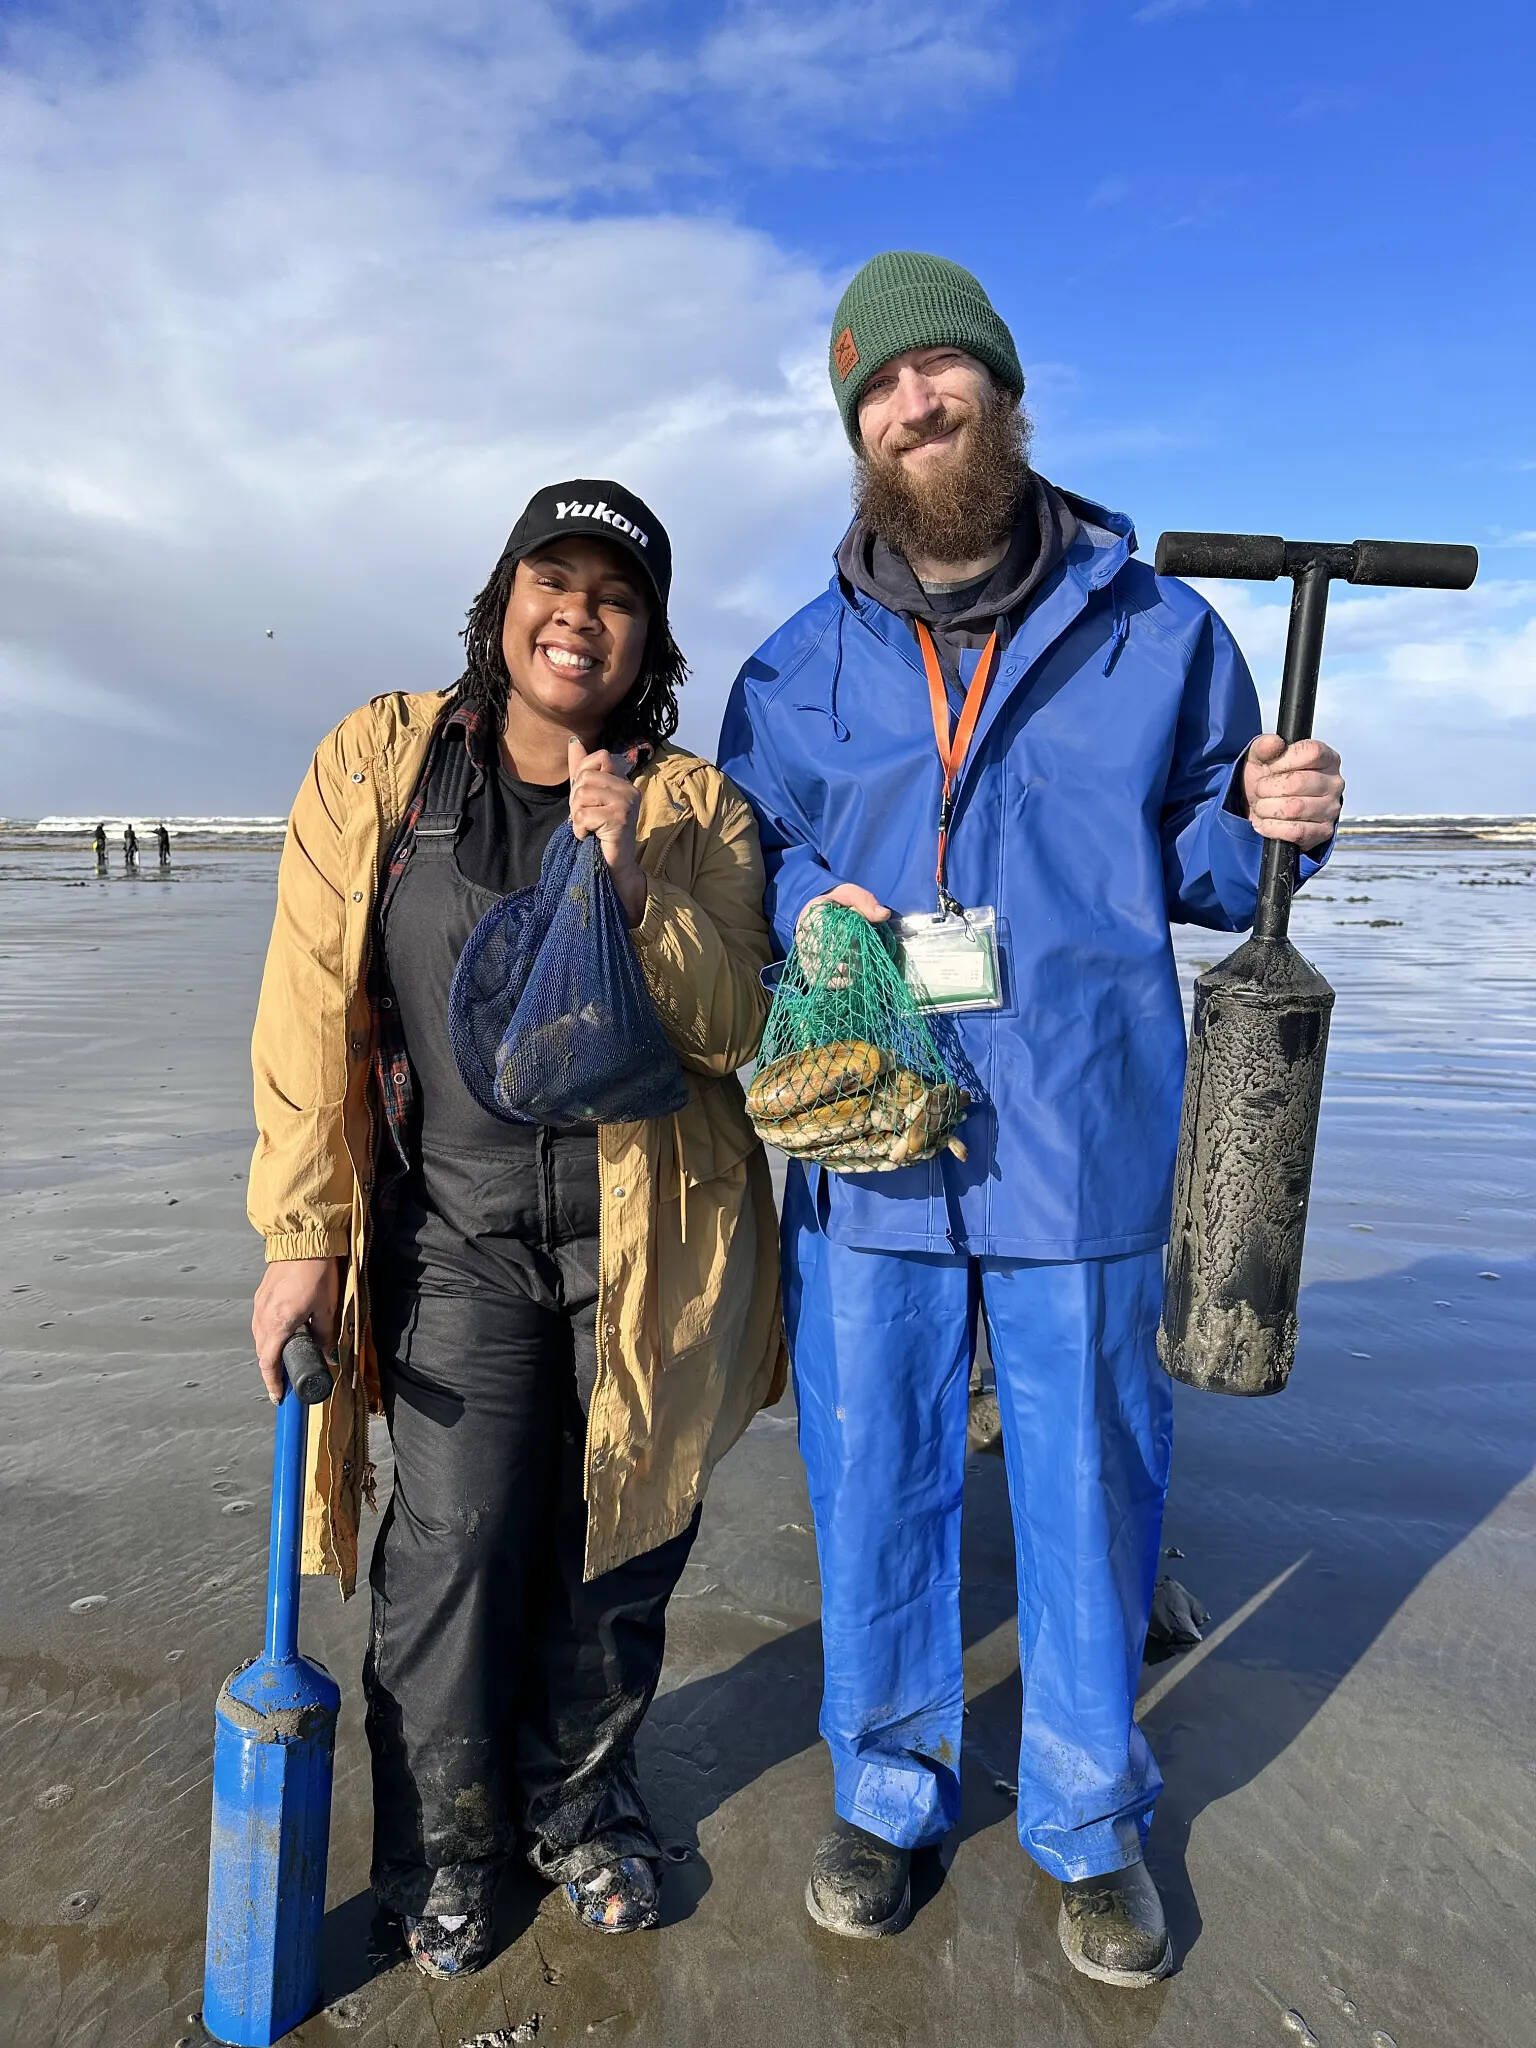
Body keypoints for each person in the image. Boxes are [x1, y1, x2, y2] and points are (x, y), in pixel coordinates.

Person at [718, 253, 1345, 1986]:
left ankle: (1087, 1820)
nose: (916, 408)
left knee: (1091, 1485)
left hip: (1085, 1133)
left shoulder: (1161, 632)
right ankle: (891, 1786)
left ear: (1002, 390)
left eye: (943, 375)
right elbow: (749, 845)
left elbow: (1220, 857)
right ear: (855, 431)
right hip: (871, 1141)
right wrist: (799, 904)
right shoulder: (793, 668)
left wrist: (1285, 811)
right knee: (879, 1478)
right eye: (880, 390)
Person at [247, 480, 785, 1977]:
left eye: (616, 595)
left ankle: (585, 1809)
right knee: (457, 1548)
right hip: (456, 1235)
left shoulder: (695, 808)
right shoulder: (383, 761)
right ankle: (445, 1849)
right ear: (501, 606)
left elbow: (736, 1023)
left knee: (619, 1541)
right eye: (554, 579)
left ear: (647, 643)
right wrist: (303, 1234)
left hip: (648, 1248)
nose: (580, 613)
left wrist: (626, 887)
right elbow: (305, 1008)